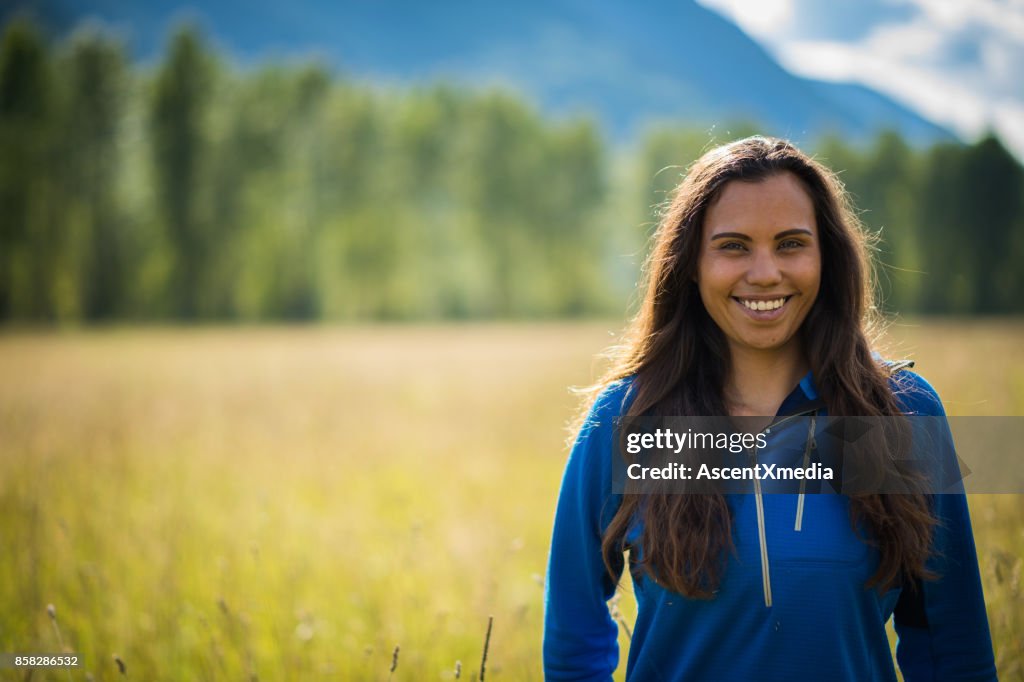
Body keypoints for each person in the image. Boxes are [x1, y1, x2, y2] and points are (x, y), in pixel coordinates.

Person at [543, 136, 997, 681]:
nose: (764, 273)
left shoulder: (899, 416)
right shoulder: (629, 420)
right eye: (733, 246)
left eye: (790, 244)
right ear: (691, 263)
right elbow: (573, 633)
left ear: (826, 258)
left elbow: (951, 646)